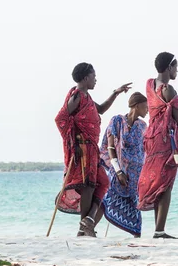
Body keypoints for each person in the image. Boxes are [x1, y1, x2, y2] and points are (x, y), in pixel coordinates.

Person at [54, 62, 132, 237]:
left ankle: (88, 220)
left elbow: (102, 109)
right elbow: (60, 119)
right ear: (85, 77)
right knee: (88, 185)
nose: (96, 79)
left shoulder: (86, 98)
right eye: (94, 76)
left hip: (92, 148)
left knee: (103, 181)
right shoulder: (76, 97)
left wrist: (115, 93)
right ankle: (85, 229)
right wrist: (74, 143)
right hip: (82, 147)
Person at [137, 52, 178, 238]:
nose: (177, 71)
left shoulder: (150, 84)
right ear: (168, 68)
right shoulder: (169, 90)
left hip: (152, 138)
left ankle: (158, 229)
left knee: (158, 182)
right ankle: (160, 231)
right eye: (175, 67)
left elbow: (168, 103)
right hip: (167, 141)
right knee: (166, 185)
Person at [96, 92, 148, 238]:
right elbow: (111, 147)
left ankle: (137, 237)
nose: (148, 110)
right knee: (108, 199)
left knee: (134, 206)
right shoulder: (117, 121)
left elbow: (146, 149)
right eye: (146, 106)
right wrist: (118, 171)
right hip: (118, 170)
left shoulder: (143, 126)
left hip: (135, 176)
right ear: (137, 106)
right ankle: (88, 228)